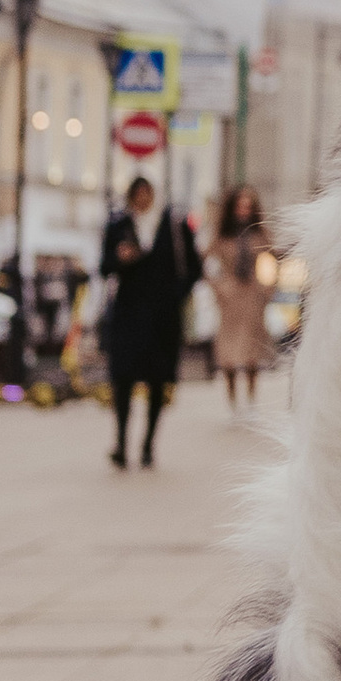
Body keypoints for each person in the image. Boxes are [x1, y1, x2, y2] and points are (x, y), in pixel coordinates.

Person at [99, 178, 200, 471]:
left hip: (162, 318)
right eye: (137, 195)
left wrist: (176, 296)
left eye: (147, 194)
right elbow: (103, 267)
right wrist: (120, 258)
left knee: (157, 381)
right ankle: (120, 443)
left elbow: (193, 268)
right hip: (128, 315)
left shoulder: (174, 226)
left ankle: (147, 445)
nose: (142, 200)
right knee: (123, 380)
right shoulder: (119, 225)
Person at [208, 184, 273, 409]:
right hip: (231, 298)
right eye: (240, 205)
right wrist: (218, 288)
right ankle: (233, 400)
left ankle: (252, 399)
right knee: (229, 353)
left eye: (248, 205)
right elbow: (206, 261)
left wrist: (268, 288)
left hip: (253, 296)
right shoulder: (223, 234)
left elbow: (275, 256)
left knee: (252, 352)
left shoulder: (259, 232)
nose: (244, 210)